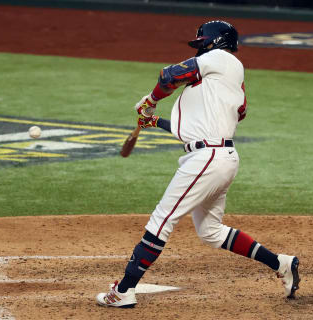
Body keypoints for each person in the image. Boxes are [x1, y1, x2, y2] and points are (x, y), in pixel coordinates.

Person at [96, 20, 300, 308]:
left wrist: (152, 99)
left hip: (207, 159)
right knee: (210, 231)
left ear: (215, 43)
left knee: (162, 220)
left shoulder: (218, 59)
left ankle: (124, 290)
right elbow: (200, 127)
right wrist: (153, 120)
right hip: (220, 157)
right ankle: (280, 263)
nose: (200, 49)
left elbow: (169, 76)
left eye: (202, 43)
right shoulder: (226, 81)